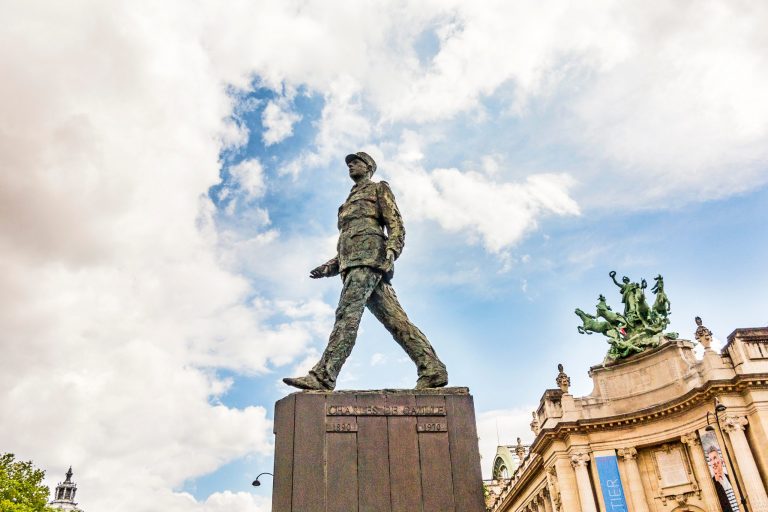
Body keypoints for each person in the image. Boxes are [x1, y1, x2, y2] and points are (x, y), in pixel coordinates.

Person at [282, 152, 448, 391]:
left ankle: (322, 376)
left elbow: (395, 224)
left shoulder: (378, 189)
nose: (351, 165)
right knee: (396, 320)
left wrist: (392, 251)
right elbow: (350, 240)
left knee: (347, 316)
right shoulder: (347, 202)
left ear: (369, 167)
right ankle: (432, 369)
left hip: (371, 261)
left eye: (356, 162)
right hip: (354, 263)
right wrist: (329, 267)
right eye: (349, 163)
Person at [708, 446, 739, 512]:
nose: (713, 463)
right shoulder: (711, 485)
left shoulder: (731, 477)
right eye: (710, 460)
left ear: (721, 460)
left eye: (715, 458)